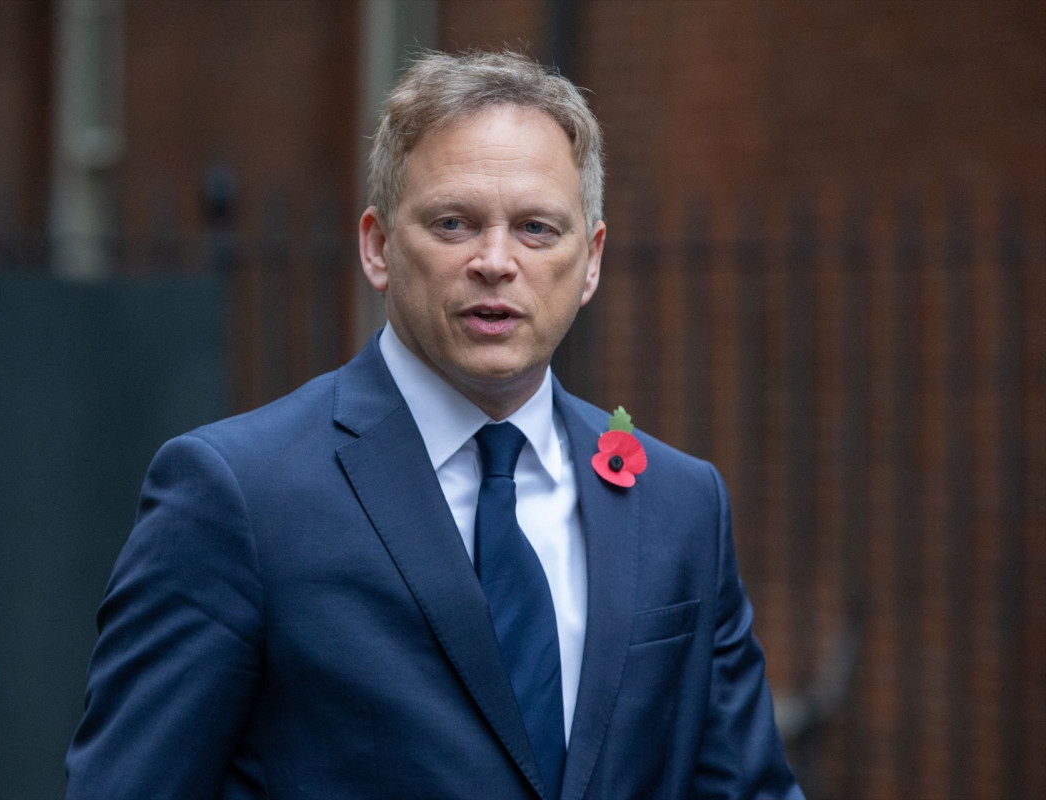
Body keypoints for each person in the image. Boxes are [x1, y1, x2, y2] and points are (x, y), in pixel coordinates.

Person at [65, 50, 803, 800]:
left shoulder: (681, 505)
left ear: (591, 261)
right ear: (378, 246)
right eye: (454, 224)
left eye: (537, 228)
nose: (495, 261)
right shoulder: (240, 496)